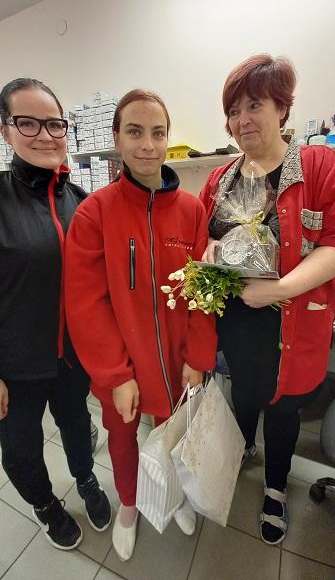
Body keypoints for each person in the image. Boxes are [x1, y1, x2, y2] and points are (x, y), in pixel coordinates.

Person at [199, 54, 335, 545]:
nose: (242, 120)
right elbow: (205, 236)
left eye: (254, 105)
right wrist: (208, 252)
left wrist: (276, 290)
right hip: (238, 326)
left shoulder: (320, 168)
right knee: (244, 395)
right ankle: (242, 450)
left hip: (291, 328)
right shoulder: (222, 179)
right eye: (234, 111)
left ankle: (275, 487)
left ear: (282, 108)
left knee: (283, 409)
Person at [0, 78, 111, 551]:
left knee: (77, 424)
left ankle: (86, 479)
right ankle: (45, 504)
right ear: (6, 130)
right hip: (11, 369)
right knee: (22, 447)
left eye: (54, 124)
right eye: (28, 123)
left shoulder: (81, 203)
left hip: (71, 359)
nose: (45, 135)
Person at [65, 89, 217, 561]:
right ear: (117, 138)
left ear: (168, 138)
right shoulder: (94, 213)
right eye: (135, 132)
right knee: (123, 437)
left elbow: (204, 294)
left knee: (175, 433)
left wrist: (198, 357)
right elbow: (86, 304)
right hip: (122, 364)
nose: (147, 145)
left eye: (157, 133)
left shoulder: (192, 211)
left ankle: (175, 496)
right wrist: (115, 375)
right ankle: (129, 506)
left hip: (177, 358)